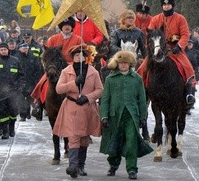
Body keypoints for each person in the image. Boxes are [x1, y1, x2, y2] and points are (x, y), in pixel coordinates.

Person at [99, 50, 153, 180]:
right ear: (117, 64)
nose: (123, 65)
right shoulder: (110, 79)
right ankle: (113, 165)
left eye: (126, 63)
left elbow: (142, 99)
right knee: (114, 142)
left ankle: (132, 169)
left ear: (130, 64)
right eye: (121, 63)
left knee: (131, 142)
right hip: (114, 116)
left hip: (131, 116)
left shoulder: (137, 79)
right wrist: (104, 116)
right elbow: (105, 99)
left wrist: (143, 117)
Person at [54, 44, 103, 178]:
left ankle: (81, 166)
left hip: (87, 108)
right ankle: (73, 166)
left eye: (81, 55)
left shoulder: (93, 72)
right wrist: (74, 83)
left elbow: (100, 90)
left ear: (86, 57)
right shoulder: (66, 71)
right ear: (72, 57)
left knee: (84, 138)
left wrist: (88, 97)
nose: (79, 57)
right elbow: (59, 89)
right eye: (76, 55)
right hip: (72, 107)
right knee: (74, 136)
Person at [139, 0, 195, 106]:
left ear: (172, 5)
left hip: (174, 50)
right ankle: (143, 92)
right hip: (157, 50)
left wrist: (179, 46)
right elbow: (149, 35)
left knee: (188, 67)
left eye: (168, 4)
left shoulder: (180, 18)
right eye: (164, 4)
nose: (166, 6)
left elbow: (185, 34)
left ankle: (189, 93)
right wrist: (149, 48)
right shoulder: (155, 19)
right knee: (142, 68)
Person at [0, 42, 23, 139]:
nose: (3, 51)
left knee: (13, 111)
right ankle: (5, 131)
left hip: (13, 91)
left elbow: (21, 75)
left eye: (5, 50)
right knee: (2, 112)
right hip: (0, 93)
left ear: (8, 50)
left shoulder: (15, 61)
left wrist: (20, 85)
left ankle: (11, 127)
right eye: (2, 50)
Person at [16, 42, 42, 121]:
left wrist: (37, 81)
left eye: (26, 48)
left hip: (31, 81)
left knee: (29, 98)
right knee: (21, 99)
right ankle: (23, 115)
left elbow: (38, 70)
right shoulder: (17, 58)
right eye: (23, 48)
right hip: (20, 82)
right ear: (20, 49)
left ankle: (28, 113)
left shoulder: (33, 57)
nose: (25, 50)